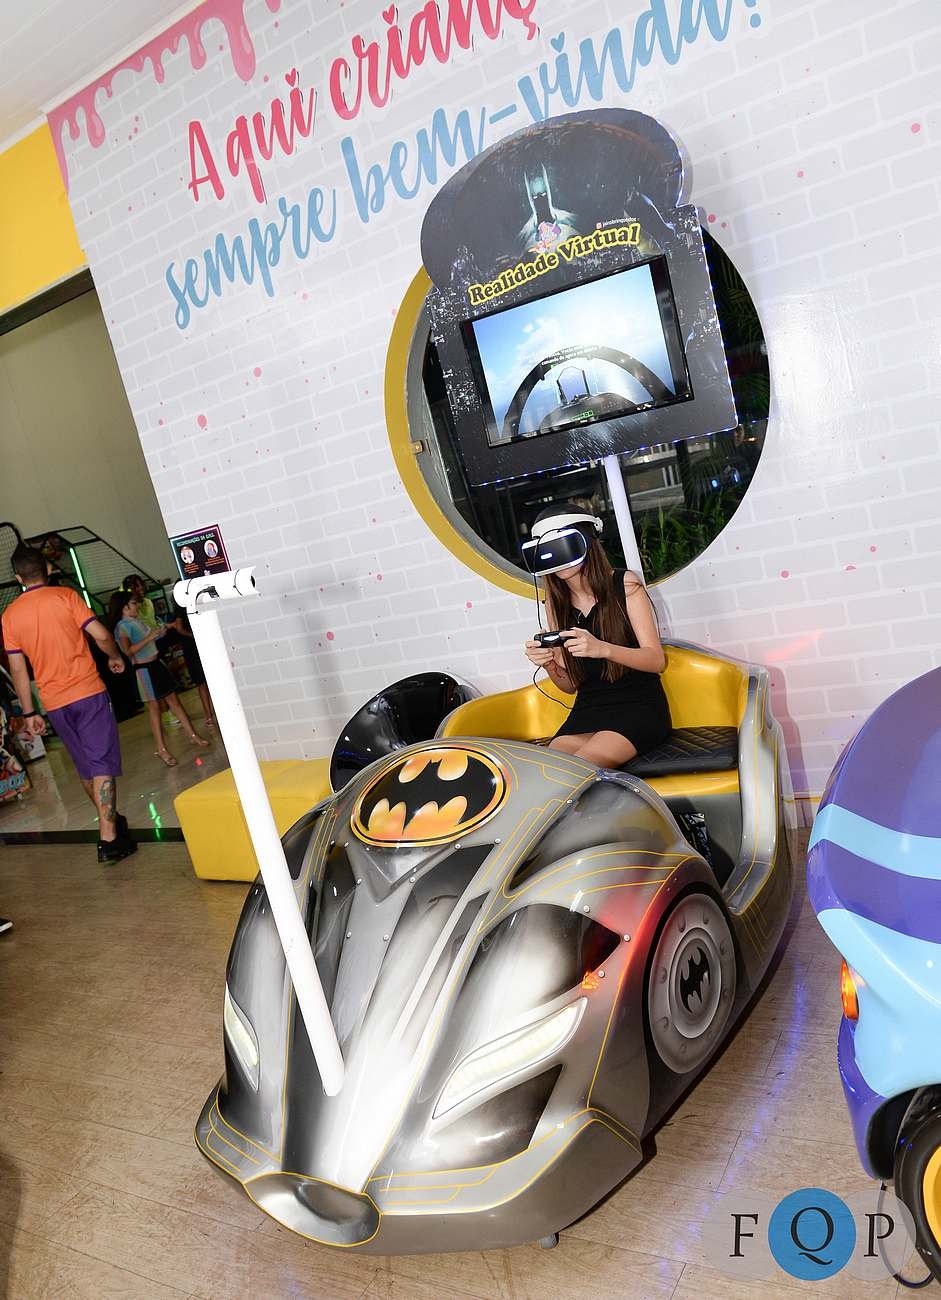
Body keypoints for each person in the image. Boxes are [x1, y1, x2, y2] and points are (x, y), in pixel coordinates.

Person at [2, 544, 136, 863]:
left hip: (54, 703)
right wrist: (114, 656)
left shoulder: (10, 616)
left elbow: (18, 669)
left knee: (86, 766)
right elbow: (101, 634)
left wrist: (30, 712)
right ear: (47, 569)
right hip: (88, 693)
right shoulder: (66, 597)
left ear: (19, 577)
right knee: (101, 763)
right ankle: (108, 839)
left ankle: (112, 822)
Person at [524, 503, 671, 768]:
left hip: (638, 705)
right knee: (549, 772)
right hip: (588, 708)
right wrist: (549, 664)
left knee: (579, 771)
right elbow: (570, 686)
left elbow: (656, 660)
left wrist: (603, 649)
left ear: (586, 542)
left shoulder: (625, 585)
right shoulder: (555, 604)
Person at [109, 591, 210, 767]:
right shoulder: (122, 626)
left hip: (156, 665)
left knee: (174, 701)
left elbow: (149, 640)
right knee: (154, 708)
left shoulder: (138, 621)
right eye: (133, 603)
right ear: (124, 607)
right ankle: (161, 749)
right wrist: (149, 637)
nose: (137, 606)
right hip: (143, 670)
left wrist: (160, 632)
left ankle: (193, 735)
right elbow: (128, 651)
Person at [171, 596, 216, 730]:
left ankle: (209, 717)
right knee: (210, 680)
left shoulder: (180, 605)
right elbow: (179, 628)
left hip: (191, 647)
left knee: (201, 683)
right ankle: (213, 714)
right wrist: (194, 635)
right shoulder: (197, 600)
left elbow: (179, 627)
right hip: (197, 644)